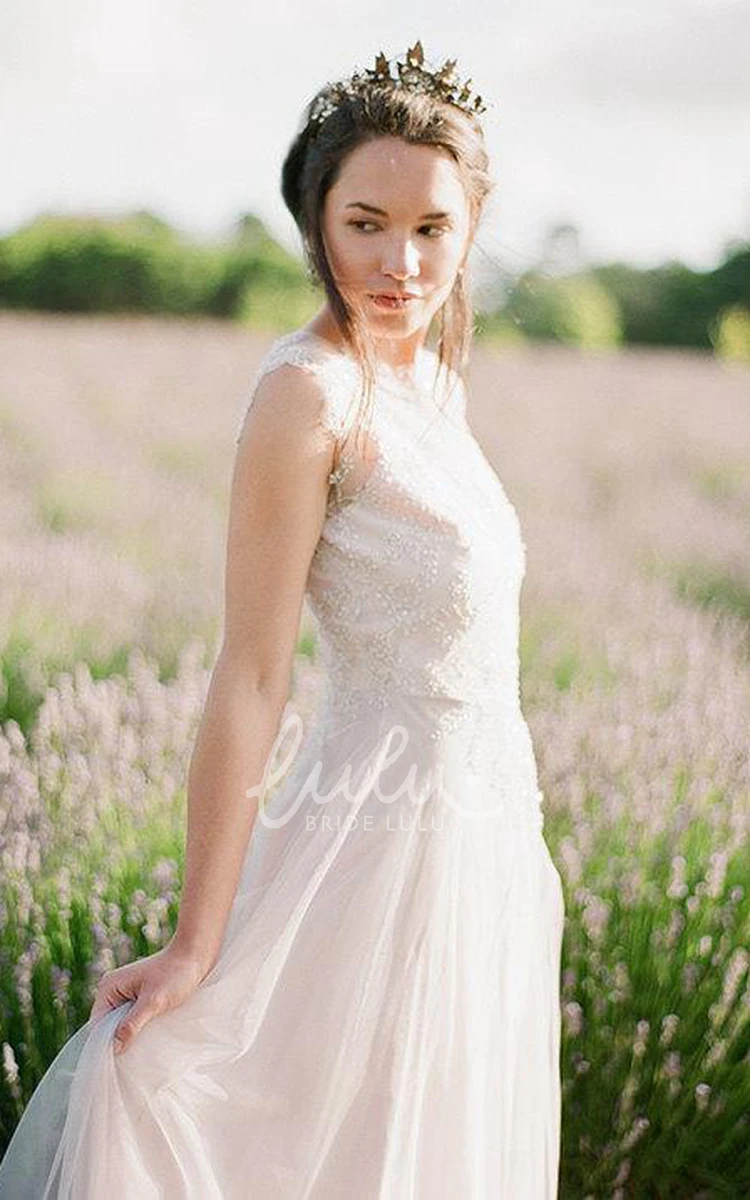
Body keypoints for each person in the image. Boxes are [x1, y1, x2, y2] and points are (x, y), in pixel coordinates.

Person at [0, 40, 565, 1198]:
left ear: (469, 234)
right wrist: (195, 941)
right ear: (314, 220)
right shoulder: (307, 394)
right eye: (365, 223)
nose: (398, 261)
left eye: (430, 230)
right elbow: (252, 674)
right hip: (370, 849)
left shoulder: (433, 388)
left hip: (485, 845)